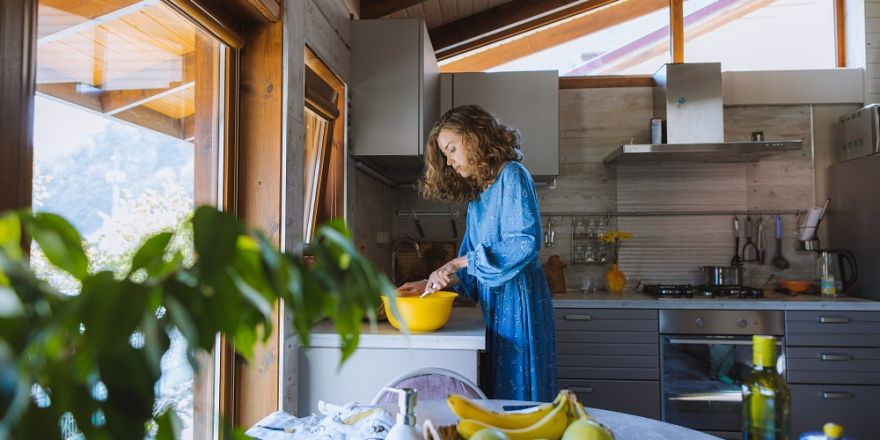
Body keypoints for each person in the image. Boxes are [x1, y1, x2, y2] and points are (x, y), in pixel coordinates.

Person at [397, 105, 558, 402]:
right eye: (445, 155)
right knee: (500, 390)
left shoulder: (513, 175)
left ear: (475, 137)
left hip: (520, 302)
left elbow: (524, 242)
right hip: (496, 307)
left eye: (452, 149)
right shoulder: (478, 197)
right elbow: (470, 268)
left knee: (522, 389)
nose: (449, 162)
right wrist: (430, 283)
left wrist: (456, 262)